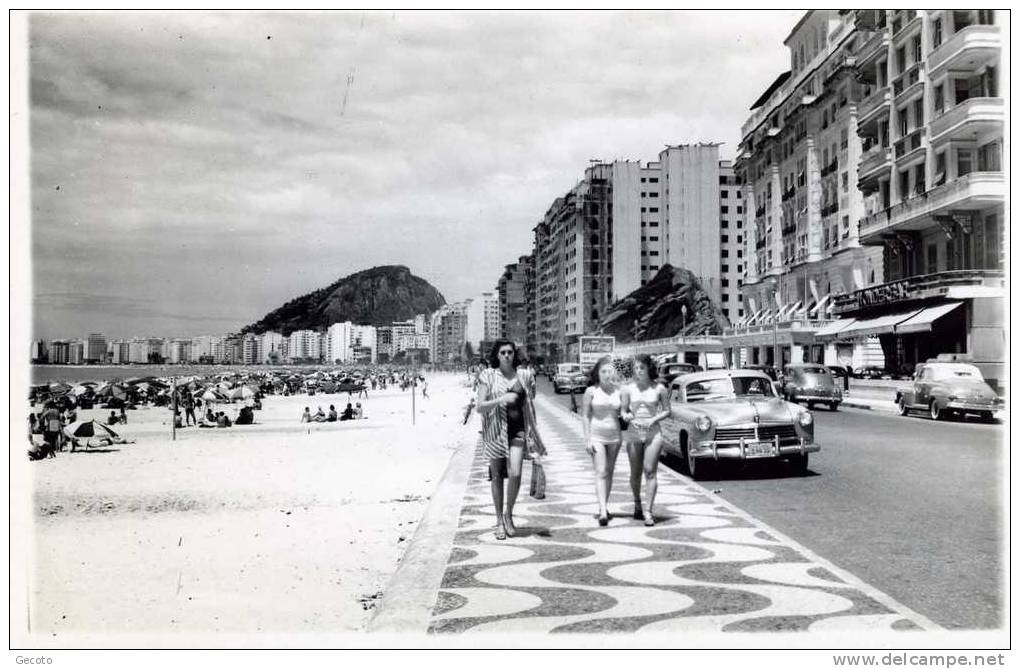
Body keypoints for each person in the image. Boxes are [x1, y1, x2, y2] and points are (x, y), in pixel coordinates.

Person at [474, 340, 544, 540]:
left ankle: (508, 515)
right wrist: (500, 400)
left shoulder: (524, 375)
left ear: (514, 354)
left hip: (518, 430)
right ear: (497, 355)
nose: (506, 356)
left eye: (510, 352)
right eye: (503, 352)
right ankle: (498, 521)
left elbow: (529, 405)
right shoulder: (487, 376)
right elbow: (480, 407)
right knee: (496, 476)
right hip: (495, 431)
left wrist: (535, 435)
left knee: (515, 473)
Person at [621, 354, 671, 526]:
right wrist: (627, 416)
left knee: (650, 471)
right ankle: (637, 503)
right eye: (635, 368)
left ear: (649, 368)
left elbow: (667, 410)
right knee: (635, 473)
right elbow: (623, 410)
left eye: (641, 368)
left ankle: (648, 511)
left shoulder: (659, 389)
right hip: (634, 432)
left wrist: (653, 419)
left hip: (653, 433)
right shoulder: (628, 389)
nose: (638, 371)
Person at [582, 356, 623, 526]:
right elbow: (585, 416)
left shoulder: (619, 391)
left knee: (610, 472)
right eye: (603, 371)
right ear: (597, 373)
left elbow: (626, 412)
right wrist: (587, 440)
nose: (607, 374)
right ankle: (603, 510)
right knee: (601, 471)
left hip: (615, 436)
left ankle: (604, 505)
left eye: (609, 371)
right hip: (597, 435)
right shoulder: (591, 391)